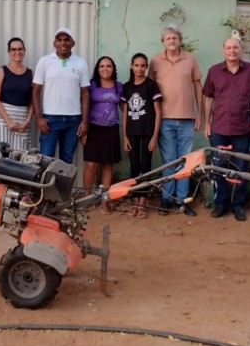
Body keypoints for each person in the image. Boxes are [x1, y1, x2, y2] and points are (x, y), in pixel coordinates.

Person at [203, 38, 250, 221]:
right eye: (228, 48)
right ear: (223, 51)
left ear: (241, 50)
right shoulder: (214, 71)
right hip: (218, 128)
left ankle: (238, 205)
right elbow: (209, 98)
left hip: (242, 128)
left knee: (240, 169)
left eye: (235, 47)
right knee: (218, 168)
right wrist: (206, 122)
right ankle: (220, 204)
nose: (232, 51)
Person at [149, 24, 203, 216]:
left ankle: (182, 200)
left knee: (186, 162)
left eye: (175, 38)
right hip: (163, 119)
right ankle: (166, 199)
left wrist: (200, 115)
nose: (172, 41)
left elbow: (198, 86)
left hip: (187, 119)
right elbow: (150, 89)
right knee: (169, 161)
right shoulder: (155, 60)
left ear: (180, 40)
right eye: (168, 38)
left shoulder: (190, 58)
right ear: (163, 41)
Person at [32, 27, 90, 164]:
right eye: (59, 40)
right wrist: (39, 118)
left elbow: (86, 93)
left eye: (66, 40)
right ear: (54, 43)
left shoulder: (81, 63)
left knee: (66, 162)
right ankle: (43, 187)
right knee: (45, 160)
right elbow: (35, 91)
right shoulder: (45, 61)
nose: (63, 43)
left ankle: (61, 187)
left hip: (73, 120)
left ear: (73, 43)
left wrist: (84, 121)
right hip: (50, 119)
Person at [121, 53, 162, 219]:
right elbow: (125, 113)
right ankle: (133, 201)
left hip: (147, 132)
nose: (139, 68)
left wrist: (154, 137)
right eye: (136, 65)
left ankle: (142, 204)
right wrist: (125, 136)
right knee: (134, 167)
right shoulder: (127, 87)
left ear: (146, 67)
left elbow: (158, 112)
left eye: (143, 65)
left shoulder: (151, 85)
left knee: (145, 166)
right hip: (131, 133)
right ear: (131, 66)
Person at [81, 56, 123, 214]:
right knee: (91, 164)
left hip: (111, 129)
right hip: (93, 128)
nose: (105, 69)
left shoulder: (119, 87)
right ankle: (86, 198)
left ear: (113, 69)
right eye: (102, 66)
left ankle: (104, 201)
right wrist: (83, 129)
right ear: (97, 69)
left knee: (107, 164)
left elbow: (125, 109)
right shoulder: (91, 85)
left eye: (109, 66)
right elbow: (83, 105)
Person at [0, 37, 34, 163]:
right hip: (2, 121)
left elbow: (34, 101)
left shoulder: (30, 73)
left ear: (24, 51)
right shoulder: (2, 71)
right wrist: (8, 120)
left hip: (22, 123)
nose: (17, 52)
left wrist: (28, 121)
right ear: (9, 52)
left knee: (20, 161)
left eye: (20, 49)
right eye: (13, 49)